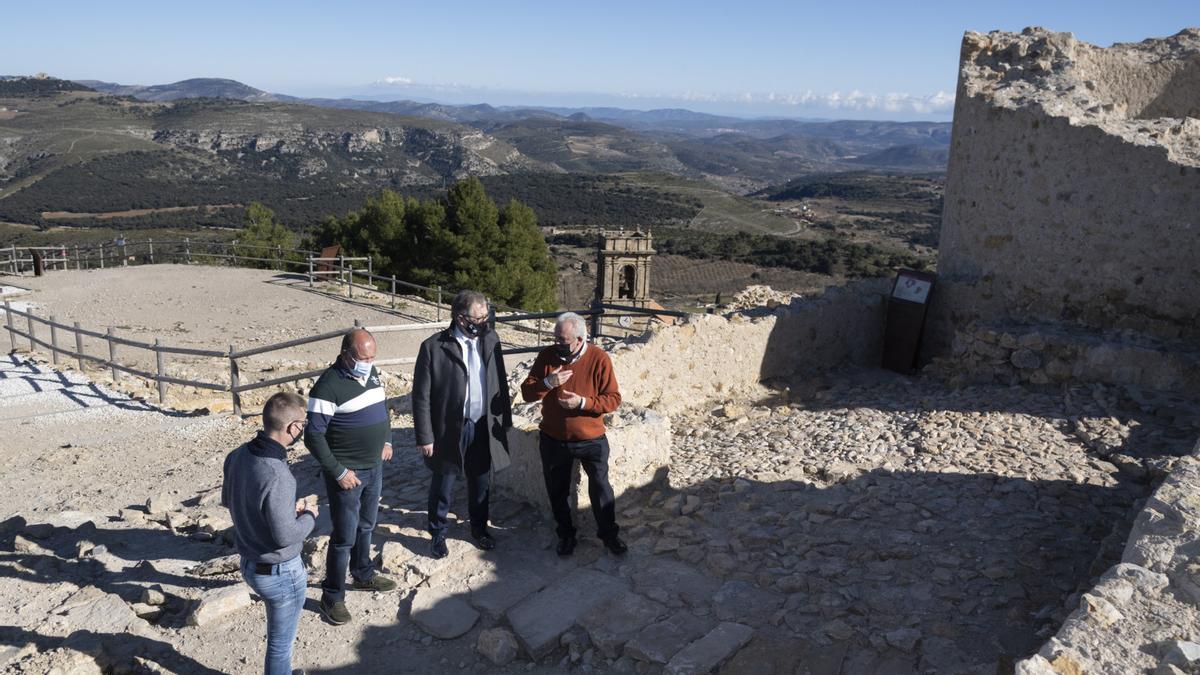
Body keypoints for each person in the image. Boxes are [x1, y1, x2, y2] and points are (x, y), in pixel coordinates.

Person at [305, 328, 397, 626]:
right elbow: (313, 436)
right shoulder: (327, 387)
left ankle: (363, 574)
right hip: (348, 473)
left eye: (373, 357)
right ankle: (332, 595)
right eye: (363, 357)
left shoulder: (370, 373)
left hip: (374, 467)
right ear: (346, 354)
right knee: (343, 537)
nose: (369, 362)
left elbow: (382, 407)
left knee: (367, 525)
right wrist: (338, 471)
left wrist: (387, 439)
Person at [222, 391, 317, 675]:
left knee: (279, 639)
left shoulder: (238, 455)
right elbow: (286, 536)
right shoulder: (278, 475)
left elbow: (231, 501)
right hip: (280, 571)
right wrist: (309, 516)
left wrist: (286, 509)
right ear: (293, 428)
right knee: (280, 644)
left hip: (250, 561)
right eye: (304, 424)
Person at [413, 290, 512, 559]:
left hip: (482, 424)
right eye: (477, 317)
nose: (483, 322)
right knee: (444, 482)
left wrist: (506, 422)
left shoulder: (491, 339)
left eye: (485, 316)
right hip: (449, 428)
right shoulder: (433, 347)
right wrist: (425, 436)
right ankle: (438, 532)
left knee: (481, 481)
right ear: (459, 317)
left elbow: (499, 382)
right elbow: (421, 396)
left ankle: (479, 529)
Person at [520, 312, 627, 557]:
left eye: (563, 341)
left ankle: (609, 535)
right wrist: (548, 382)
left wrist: (582, 403)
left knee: (601, 490)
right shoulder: (547, 356)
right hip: (553, 439)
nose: (558, 344)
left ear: (580, 339)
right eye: (556, 339)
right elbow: (527, 393)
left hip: (591, 440)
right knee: (557, 491)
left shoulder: (598, 358)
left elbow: (613, 400)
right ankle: (566, 535)